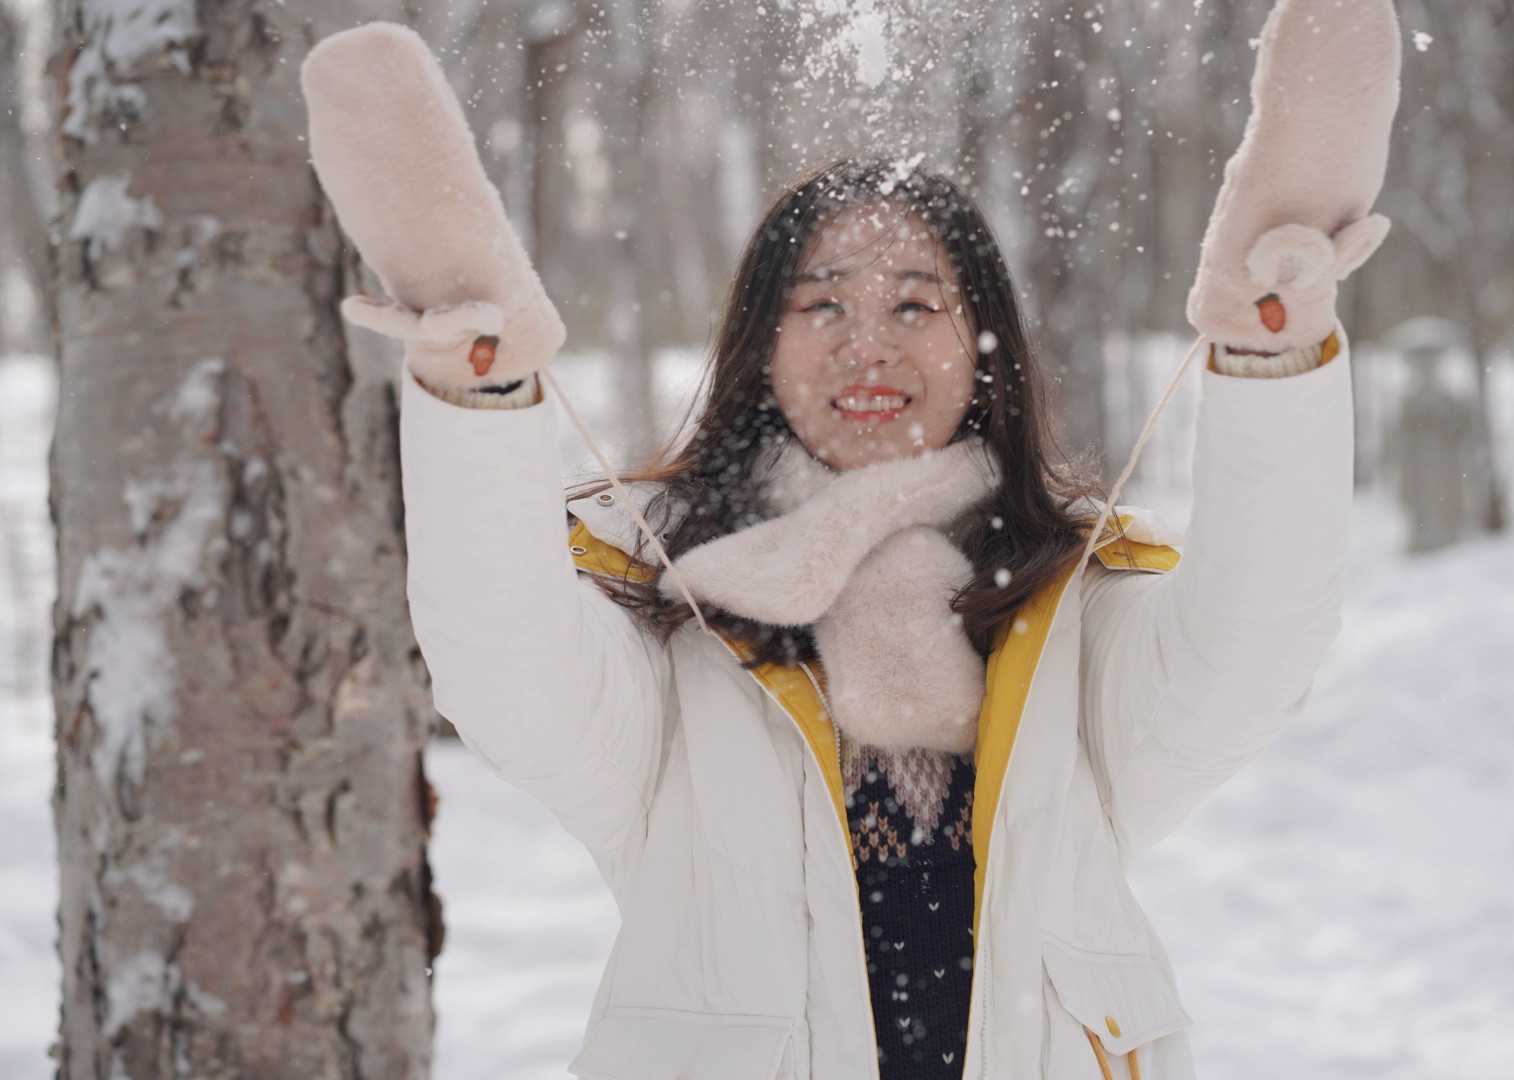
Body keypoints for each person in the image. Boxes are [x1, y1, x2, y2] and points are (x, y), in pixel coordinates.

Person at [301, 1, 1400, 1076]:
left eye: (915, 306)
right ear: (758, 343)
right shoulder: (672, 601)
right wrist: (478, 394)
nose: (864, 347)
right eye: (820, 305)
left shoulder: (1072, 601)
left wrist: (1270, 360)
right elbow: (511, 673)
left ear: (983, 351)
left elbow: (1252, 644)